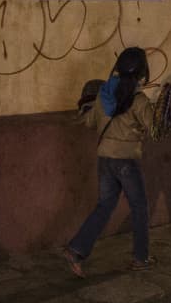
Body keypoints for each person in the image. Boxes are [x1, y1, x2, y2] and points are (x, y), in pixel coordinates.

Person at [63, 47, 157, 277]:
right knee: (140, 208)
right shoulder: (139, 100)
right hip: (126, 160)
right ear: (142, 72)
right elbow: (154, 130)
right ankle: (141, 257)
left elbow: (90, 122)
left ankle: (77, 250)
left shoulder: (104, 93)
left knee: (105, 205)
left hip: (105, 158)